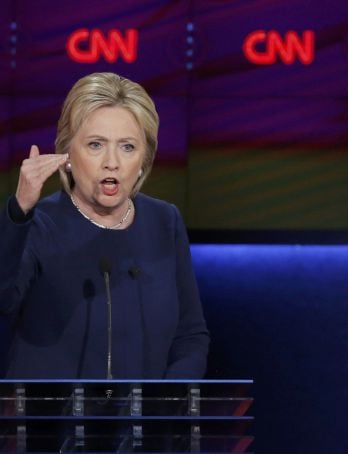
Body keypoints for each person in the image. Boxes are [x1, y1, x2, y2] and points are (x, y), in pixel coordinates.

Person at [0, 72, 209, 379]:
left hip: (143, 423)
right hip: (49, 422)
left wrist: (168, 404)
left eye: (127, 147)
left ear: (143, 160)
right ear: (67, 155)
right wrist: (19, 213)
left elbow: (190, 335)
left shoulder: (165, 222)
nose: (112, 162)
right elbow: (3, 302)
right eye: (96, 145)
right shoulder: (40, 224)